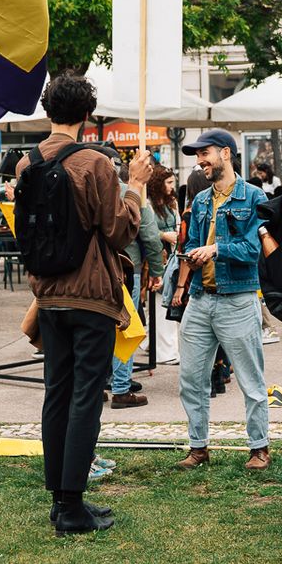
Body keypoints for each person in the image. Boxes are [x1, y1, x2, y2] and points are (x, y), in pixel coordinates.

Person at [23, 73, 148, 534]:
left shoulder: (27, 163)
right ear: (87, 114)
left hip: (48, 295)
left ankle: (60, 498)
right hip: (91, 293)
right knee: (85, 397)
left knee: (56, 392)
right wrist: (133, 186)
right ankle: (73, 505)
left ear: (49, 110)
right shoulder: (94, 162)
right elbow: (120, 230)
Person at [175, 128, 273, 469]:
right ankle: (198, 447)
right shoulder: (200, 201)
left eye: (206, 153)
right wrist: (190, 254)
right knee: (191, 377)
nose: (201, 160)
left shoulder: (254, 197)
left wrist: (215, 250)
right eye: (198, 155)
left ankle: (259, 447)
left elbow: (252, 250)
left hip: (239, 298)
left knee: (250, 379)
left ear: (227, 154)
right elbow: (191, 245)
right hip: (201, 299)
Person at [108, 161, 165, 410]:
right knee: (125, 328)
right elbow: (150, 235)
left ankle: (101, 383)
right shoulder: (130, 193)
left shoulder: (89, 189)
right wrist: (156, 270)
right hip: (126, 268)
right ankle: (121, 388)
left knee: (99, 329)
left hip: (94, 272)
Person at [148, 169, 183, 365]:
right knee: (161, 302)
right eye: (169, 182)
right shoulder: (149, 204)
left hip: (170, 254)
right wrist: (165, 235)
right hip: (158, 255)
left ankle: (157, 344)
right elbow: (147, 228)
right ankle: (165, 350)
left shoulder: (171, 202)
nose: (172, 186)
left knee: (162, 302)